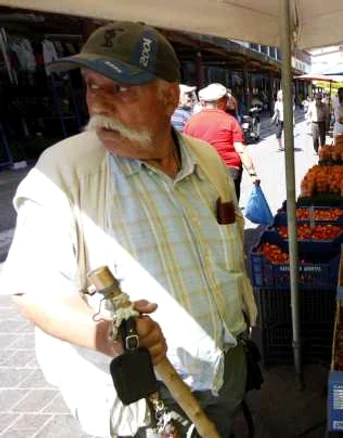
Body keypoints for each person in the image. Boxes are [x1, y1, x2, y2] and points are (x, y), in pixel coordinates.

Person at [0, 22, 259, 438]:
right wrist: (107, 337)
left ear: (168, 97)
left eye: (121, 89)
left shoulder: (208, 162)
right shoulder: (62, 173)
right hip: (148, 403)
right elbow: (35, 292)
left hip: (224, 373)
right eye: (90, 85)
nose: (99, 104)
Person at [184, 82, 260, 200]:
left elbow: (186, 150)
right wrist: (252, 173)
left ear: (203, 102)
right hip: (229, 171)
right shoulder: (230, 121)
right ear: (221, 102)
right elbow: (240, 149)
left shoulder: (191, 123)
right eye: (225, 99)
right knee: (230, 210)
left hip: (202, 172)